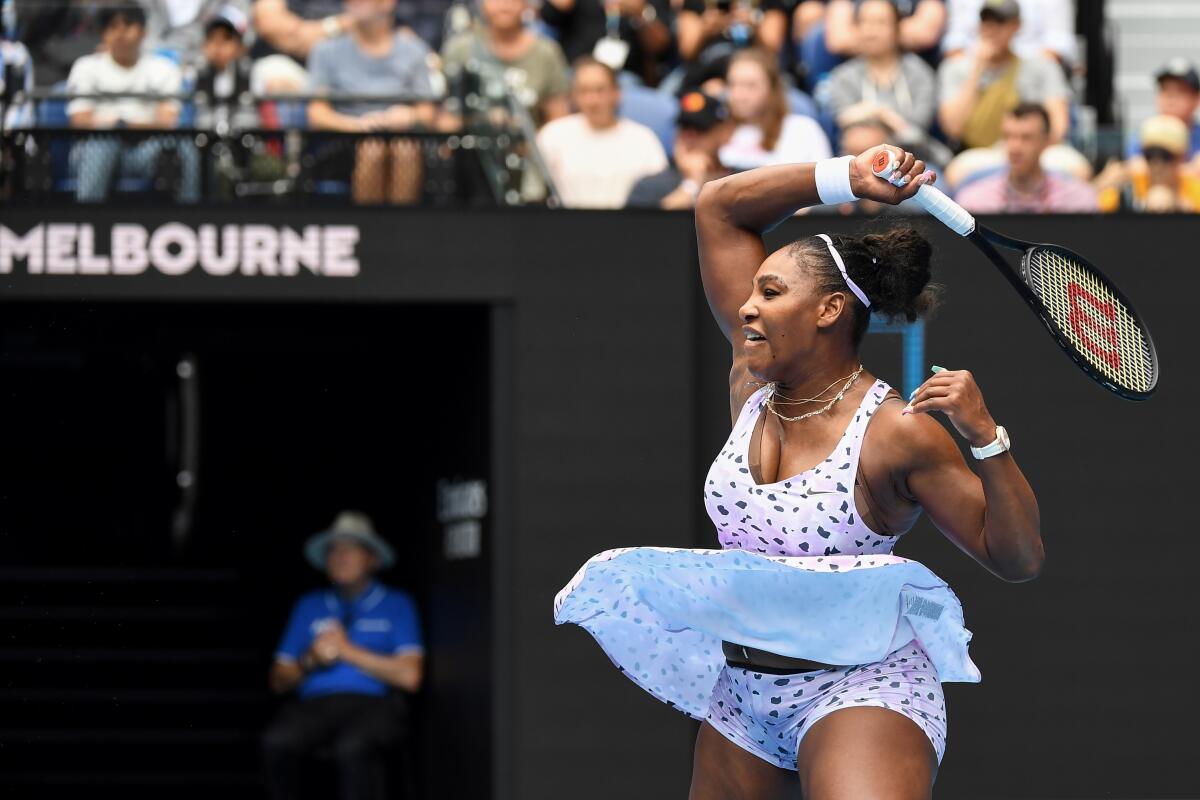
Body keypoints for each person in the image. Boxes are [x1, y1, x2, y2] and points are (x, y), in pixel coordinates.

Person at [555, 144, 1044, 798]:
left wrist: (988, 440)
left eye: (772, 291)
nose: (748, 307)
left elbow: (1016, 558)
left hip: (861, 688)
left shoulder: (895, 434)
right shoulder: (749, 376)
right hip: (742, 696)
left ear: (829, 310)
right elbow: (719, 207)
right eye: (752, 291)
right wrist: (847, 175)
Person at [263, 511, 423, 800]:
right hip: (316, 705)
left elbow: (410, 677)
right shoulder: (309, 605)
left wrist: (348, 652)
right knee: (277, 741)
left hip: (374, 704)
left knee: (354, 747)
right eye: (334, 550)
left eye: (351, 548)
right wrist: (311, 659)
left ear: (372, 559)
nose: (341, 556)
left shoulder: (397, 603)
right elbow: (278, 680)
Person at [306, 0, 440, 204]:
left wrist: (408, 116)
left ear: (387, 3)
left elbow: (427, 114)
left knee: (404, 148)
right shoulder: (325, 50)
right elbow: (317, 114)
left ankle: (401, 228)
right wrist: (359, 126)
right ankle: (369, 229)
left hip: (401, 139)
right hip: (342, 144)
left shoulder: (414, 50)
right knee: (373, 147)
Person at [66, 5, 201, 203]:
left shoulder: (164, 69)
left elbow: (167, 122)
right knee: (103, 143)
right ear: (103, 34)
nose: (120, 33)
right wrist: (117, 128)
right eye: (113, 27)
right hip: (94, 149)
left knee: (184, 147)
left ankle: (188, 219)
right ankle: (88, 220)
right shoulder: (86, 67)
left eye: (128, 25)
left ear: (143, 32)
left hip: (146, 147)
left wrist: (122, 124)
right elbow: (80, 121)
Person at [536, 57, 668, 208]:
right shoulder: (552, 135)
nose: (592, 100)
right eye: (584, 91)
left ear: (616, 93)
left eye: (600, 90)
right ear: (573, 96)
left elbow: (659, 191)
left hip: (628, 226)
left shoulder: (643, 138)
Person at [937, 0, 1069, 149]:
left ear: (1016, 26)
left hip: (1034, 153)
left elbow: (1058, 127)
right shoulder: (954, 67)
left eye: (1000, 22)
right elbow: (953, 128)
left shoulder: (1042, 66)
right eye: (986, 21)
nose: (991, 28)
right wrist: (978, 68)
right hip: (978, 153)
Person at [825, 0, 938, 149]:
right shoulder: (843, 76)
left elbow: (918, 128)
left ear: (897, 29)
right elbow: (842, 119)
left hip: (914, 157)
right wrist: (885, 116)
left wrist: (873, 112)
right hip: (857, 160)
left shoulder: (919, 73)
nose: (872, 31)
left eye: (881, 23)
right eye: (864, 22)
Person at [441, 0, 570, 129]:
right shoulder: (460, 49)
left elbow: (557, 122)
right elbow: (445, 117)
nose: (504, 5)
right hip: (469, 143)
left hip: (528, 143)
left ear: (527, 4)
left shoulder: (546, 53)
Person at [954, 102, 1096, 213]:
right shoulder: (973, 201)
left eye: (1026, 138)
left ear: (1046, 142)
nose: (1015, 147)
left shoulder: (1079, 199)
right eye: (1008, 137)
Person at [718, 48, 832, 171]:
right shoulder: (717, 131)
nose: (739, 95)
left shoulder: (802, 130)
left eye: (750, 85)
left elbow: (822, 180)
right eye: (733, 84)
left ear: (772, 89)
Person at [627, 90, 733, 209]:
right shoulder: (648, 186)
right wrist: (691, 185)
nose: (689, 138)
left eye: (700, 130)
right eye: (684, 129)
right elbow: (638, 226)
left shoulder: (739, 181)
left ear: (724, 133)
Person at [538, 0, 672, 87]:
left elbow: (660, 46)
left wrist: (641, 14)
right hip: (575, 71)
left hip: (625, 78)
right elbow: (549, 15)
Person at [675, 0, 789, 92]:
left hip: (754, 68)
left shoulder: (766, 4)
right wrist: (706, 27)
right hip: (706, 71)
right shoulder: (697, 3)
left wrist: (753, 22)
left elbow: (773, 48)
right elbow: (687, 51)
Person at [1097, 115, 1200, 214]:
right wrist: (1102, 183)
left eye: (1165, 156)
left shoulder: (1193, 187)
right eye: (1149, 155)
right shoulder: (1130, 184)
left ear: (1181, 158)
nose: (1157, 163)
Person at [942, 0, 1076, 66]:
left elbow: (1058, 46)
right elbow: (954, 45)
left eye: (1001, 23)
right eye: (988, 23)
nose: (993, 30)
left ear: (1017, 25)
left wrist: (1013, 72)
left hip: (1030, 75)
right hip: (978, 71)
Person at [1124, 59, 1200, 163]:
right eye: (1165, 90)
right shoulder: (1142, 136)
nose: (1171, 98)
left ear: (1196, 99)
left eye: (1180, 91)